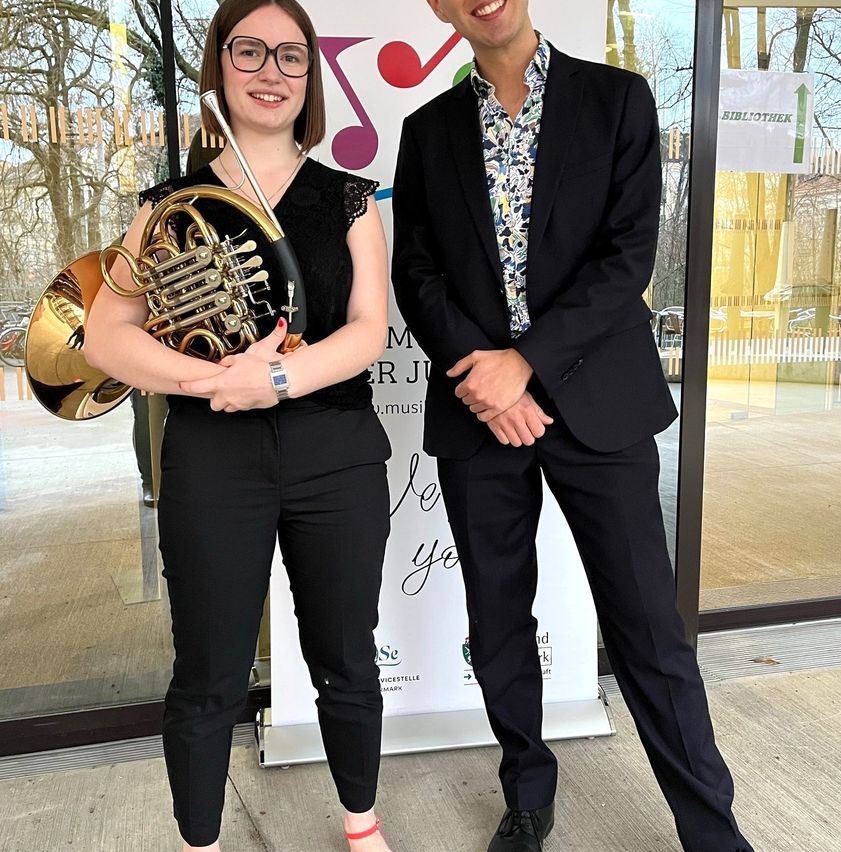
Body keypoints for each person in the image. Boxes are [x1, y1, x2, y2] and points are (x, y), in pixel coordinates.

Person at [391, 3, 754, 852]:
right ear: (439, 7)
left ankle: (711, 827)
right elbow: (416, 272)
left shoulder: (617, 99)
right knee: (500, 618)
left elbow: (628, 254)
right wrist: (489, 377)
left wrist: (527, 364)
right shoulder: (427, 129)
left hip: (599, 402)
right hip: (479, 412)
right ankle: (527, 794)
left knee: (649, 631)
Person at [85, 1, 393, 850]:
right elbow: (107, 335)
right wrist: (213, 377)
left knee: (347, 658)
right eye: (249, 51)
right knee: (208, 671)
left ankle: (361, 826)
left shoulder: (353, 200)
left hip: (335, 450)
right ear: (219, 65)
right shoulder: (167, 206)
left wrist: (280, 376)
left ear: (310, 77)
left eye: (290, 56)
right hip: (212, 451)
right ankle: (201, 840)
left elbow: (368, 330)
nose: (270, 71)